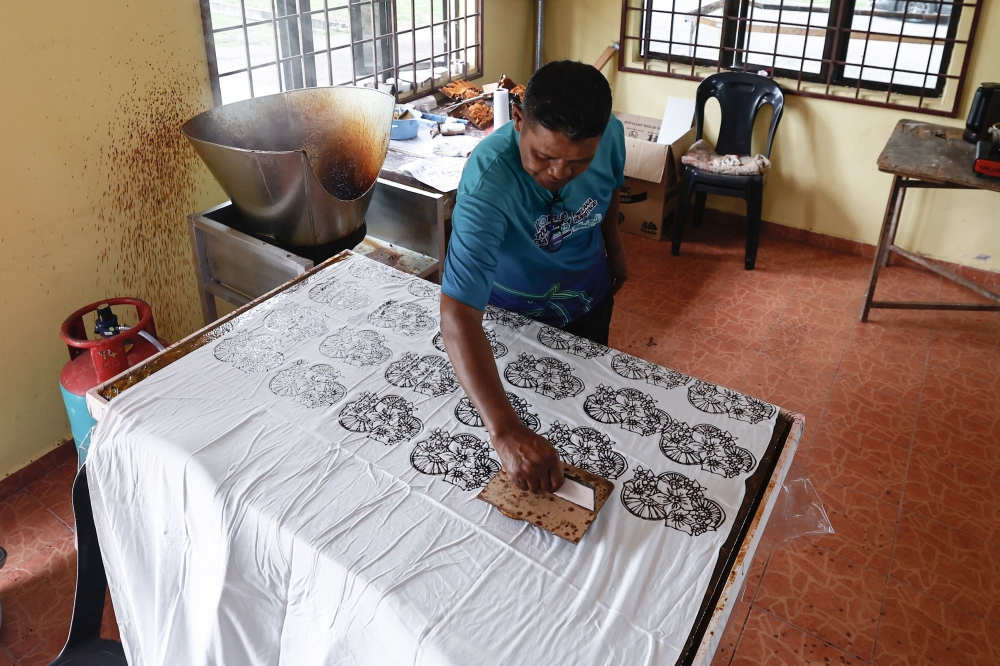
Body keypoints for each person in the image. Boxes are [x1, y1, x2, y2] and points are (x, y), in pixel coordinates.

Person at [439, 60, 628, 495]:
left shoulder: (611, 135)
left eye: (578, 161)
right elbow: (458, 314)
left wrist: (614, 249)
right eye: (543, 156)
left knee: (585, 423)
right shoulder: (489, 179)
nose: (559, 172)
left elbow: (610, 188)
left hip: (587, 301)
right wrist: (504, 431)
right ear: (519, 120)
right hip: (513, 321)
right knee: (523, 418)